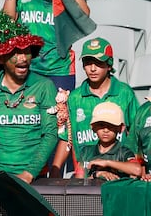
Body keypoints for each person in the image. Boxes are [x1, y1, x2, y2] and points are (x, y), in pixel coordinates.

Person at [0, 11, 57, 185]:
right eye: (15, 52)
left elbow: (50, 134)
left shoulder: (44, 86)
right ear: (0, 57)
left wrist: (29, 173)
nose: (23, 58)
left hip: (34, 181)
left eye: (27, 51)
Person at [50, 37, 138, 177]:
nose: (92, 68)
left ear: (109, 65)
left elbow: (136, 134)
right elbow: (67, 137)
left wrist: (138, 170)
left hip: (120, 176)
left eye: (98, 63)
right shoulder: (75, 97)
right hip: (85, 175)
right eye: (88, 62)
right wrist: (55, 171)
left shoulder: (124, 93)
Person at [3, 0, 90, 91]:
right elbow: (7, 21)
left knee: (58, 111)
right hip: (27, 66)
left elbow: (84, 14)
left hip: (58, 68)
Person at [74, 102, 142, 180]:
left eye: (111, 126)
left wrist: (107, 163)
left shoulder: (123, 152)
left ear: (121, 128)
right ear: (93, 127)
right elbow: (78, 182)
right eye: (101, 125)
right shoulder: (86, 152)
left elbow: (137, 170)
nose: (106, 130)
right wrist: (97, 175)